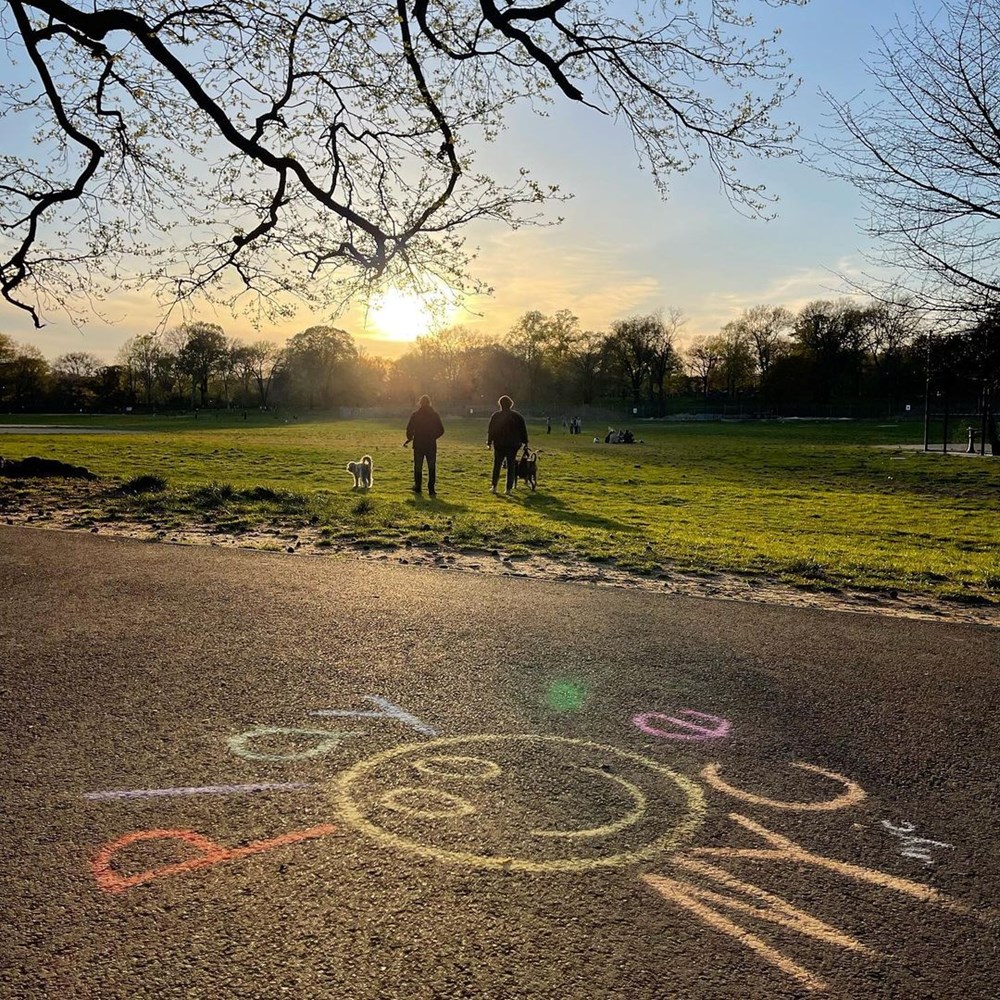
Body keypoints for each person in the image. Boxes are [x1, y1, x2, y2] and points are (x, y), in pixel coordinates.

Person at [404, 394, 445, 496]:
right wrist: (433, 437)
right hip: (431, 445)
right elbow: (441, 430)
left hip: (418, 444)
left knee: (418, 466)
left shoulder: (415, 415)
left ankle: (418, 487)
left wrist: (410, 438)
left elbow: (409, 429)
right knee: (431, 467)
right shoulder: (434, 415)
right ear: (429, 403)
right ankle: (431, 489)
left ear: (420, 403)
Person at [487, 394, 528, 495]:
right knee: (511, 466)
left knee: (497, 465)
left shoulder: (496, 416)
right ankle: (508, 489)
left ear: (500, 405)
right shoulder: (517, 417)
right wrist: (525, 442)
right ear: (511, 404)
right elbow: (523, 430)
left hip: (499, 444)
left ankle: (494, 486)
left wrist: (489, 442)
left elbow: (491, 430)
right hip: (513, 445)